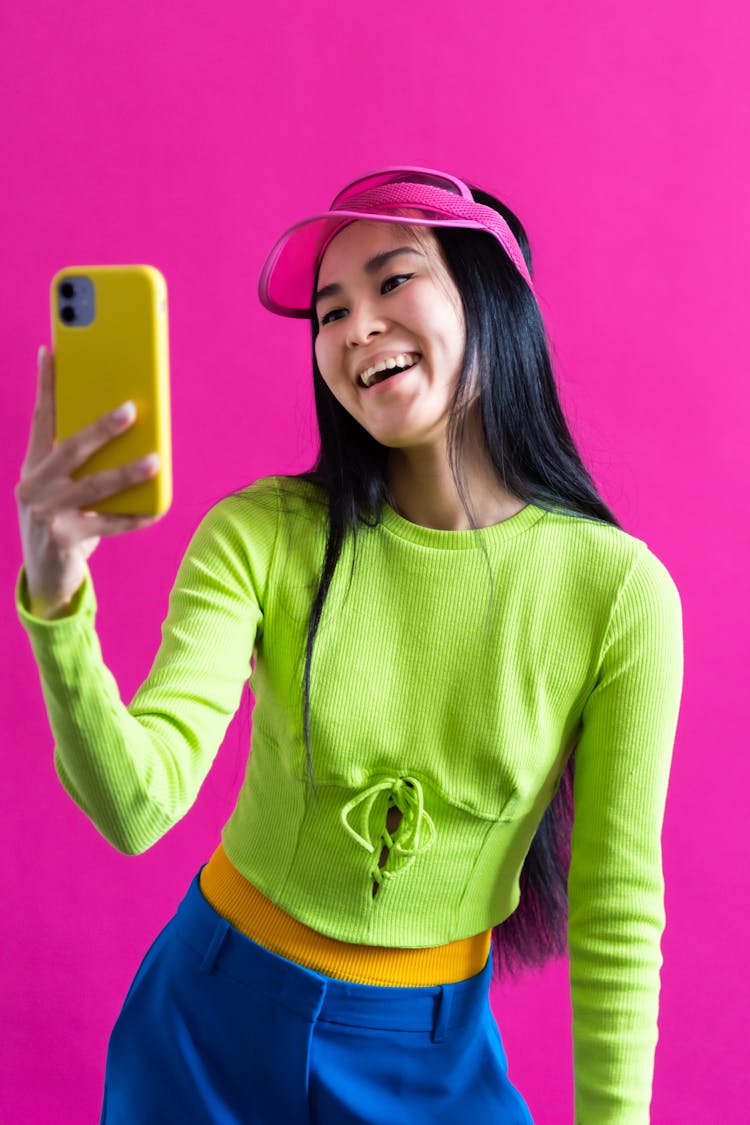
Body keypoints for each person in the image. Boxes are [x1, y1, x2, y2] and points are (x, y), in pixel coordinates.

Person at [15, 166, 684, 1124]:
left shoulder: (619, 594)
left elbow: (618, 909)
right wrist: (56, 591)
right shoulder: (262, 532)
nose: (355, 325)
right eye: (329, 312)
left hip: (427, 1058)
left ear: (492, 297)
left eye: (393, 280)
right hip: (206, 1026)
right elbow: (136, 805)